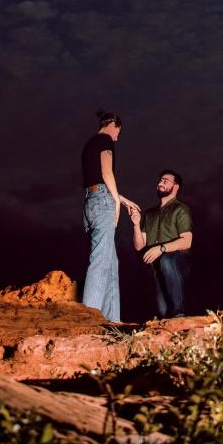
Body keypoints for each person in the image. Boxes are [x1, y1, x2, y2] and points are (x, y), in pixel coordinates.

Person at [80, 109, 138, 322]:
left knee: (111, 263)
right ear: (113, 124)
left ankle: (111, 321)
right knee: (101, 261)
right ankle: (88, 319)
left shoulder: (89, 144)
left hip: (91, 201)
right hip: (102, 201)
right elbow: (106, 172)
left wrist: (120, 198)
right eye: (118, 132)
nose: (117, 137)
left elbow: (97, 180)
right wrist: (115, 203)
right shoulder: (105, 140)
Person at [130, 168, 193, 318]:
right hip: (156, 266)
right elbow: (139, 245)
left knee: (166, 260)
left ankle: (180, 313)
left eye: (165, 181)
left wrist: (162, 248)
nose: (160, 183)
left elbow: (187, 241)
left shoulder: (181, 209)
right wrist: (136, 225)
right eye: (160, 180)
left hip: (178, 260)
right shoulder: (149, 214)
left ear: (175, 186)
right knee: (163, 312)